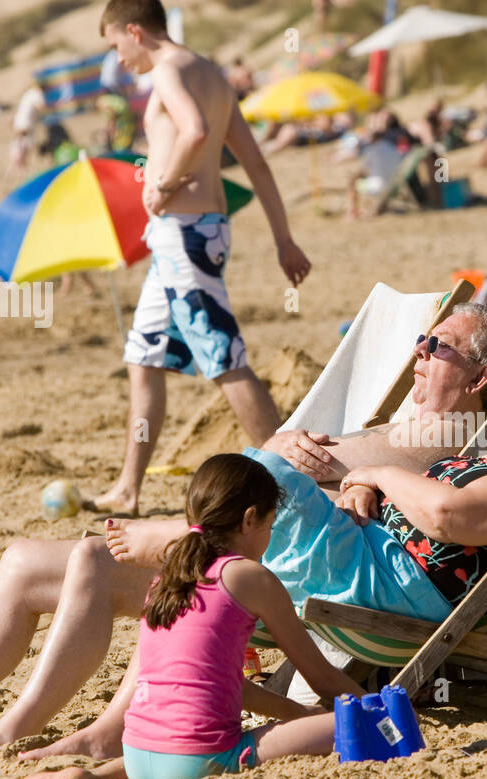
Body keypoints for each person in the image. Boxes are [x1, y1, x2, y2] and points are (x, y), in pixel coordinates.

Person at [0, 306, 487, 762]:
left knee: (108, 558)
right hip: (275, 543)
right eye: (420, 339)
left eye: (435, 345)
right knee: (22, 560)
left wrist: (344, 468)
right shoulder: (412, 427)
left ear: (477, 377)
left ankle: (26, 735)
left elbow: (374, 482)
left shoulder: (449, 433)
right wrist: (353, 476)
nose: (418, 351)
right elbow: (351, 476)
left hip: (278, 561)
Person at [12, 454, 366, 779]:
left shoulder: (168, 577)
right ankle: (100, 775)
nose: (269, 539)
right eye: (269, 527)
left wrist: (299, 713)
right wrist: (374, 710)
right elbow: (322, 676)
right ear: (248, 520)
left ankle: (94, 776)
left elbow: (230, 687)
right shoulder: (250, 577)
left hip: (136, 757)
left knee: (189, 743)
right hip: (200, 760)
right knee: (354, 724)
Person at [90, 0, 312, 516]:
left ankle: (300, 484)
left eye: (114, 45)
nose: (117, 59)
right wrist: (284, 239)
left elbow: (193, 131)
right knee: (143, 357)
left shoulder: (167, 69)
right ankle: (128, 487)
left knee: (224, 359)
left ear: (133, 31)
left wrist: (163, 183)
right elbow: (254, 163)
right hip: (194, 232)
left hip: (184, 235)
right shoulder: (209, 71)